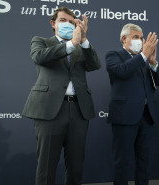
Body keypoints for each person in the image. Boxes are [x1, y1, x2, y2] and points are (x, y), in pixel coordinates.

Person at [22, 7, 101, 185]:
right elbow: (39, 57)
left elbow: (95, 65)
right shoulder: (40, 41)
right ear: (53, 23)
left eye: (72, 22)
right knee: (46, 166)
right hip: (49, 111)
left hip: (79, 111)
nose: (68, 24)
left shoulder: (82, 47)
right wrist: (71, 44)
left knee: (76, 166)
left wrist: (84, 40)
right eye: (63, 20)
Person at [105, 23, 159, 185]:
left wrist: (152, 62)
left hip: (146, 116)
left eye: (141, 38)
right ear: (124, 39)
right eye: (136, 37)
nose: (140, 41)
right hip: (124, 116)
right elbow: (120, 71)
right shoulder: (113, 55)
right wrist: (144, 56)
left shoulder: (144, 59)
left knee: (144, 161)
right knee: (122, 161)